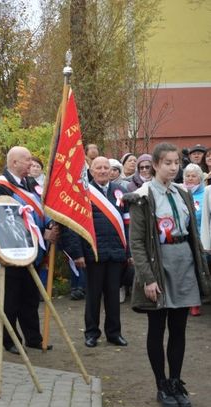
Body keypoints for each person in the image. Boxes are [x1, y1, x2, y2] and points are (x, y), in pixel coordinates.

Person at [124, 142, 210, 407]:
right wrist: (148, 277)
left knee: (179, 328)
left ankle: (175, 381)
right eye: (168, 163)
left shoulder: (182, 193)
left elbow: (192, 232)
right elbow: (137, 242)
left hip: (183, 263)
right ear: (156, 165)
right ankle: (161, 384)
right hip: (159, 265)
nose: (173, 167)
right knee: (157, 327)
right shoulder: (142, 196)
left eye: (176, 163)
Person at [0, 146, 58, 353]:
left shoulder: (29, 183)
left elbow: (38, 210)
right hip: (13, 252)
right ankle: (10, 340)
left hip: (32, 252)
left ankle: (33, 337)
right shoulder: (0, 187)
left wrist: (50, 225)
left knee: (30, 298)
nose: (31, 163)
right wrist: (40, 234)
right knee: (11, 300)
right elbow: (8, 220)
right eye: (27, 160)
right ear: (14, 163)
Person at [62, 156, 131, 348]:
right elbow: (73, 226)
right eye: (98, 167)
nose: (102, 171)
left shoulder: (120, 191)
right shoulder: (82, 193)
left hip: (116, 253)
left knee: (113, 297)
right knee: (93, 297)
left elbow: (128, 224)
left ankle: (114, 333)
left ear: (111, 170)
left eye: (105, 167)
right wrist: (77, 254)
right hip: (93, 253)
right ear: (91, 171)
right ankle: (91, 333)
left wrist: (129, 252)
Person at [182, 163, 206, 317]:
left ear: (200, 178)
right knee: (186, 272)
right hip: (183, 239)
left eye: (194, 176)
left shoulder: (206, 194)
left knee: (199, 270)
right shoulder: (179, 192)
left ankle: (196, 302)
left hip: (201, 239)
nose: (190, 179)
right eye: (187, 176)